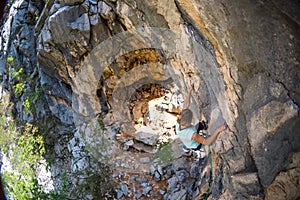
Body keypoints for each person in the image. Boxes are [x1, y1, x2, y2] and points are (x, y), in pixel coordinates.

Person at [175, 81, 227, 157]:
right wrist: (218, 130)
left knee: (199, 125)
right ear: (189, 123)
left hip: (187, 138)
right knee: (210, 138)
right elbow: (206, 142)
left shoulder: (179, 123)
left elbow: (186, 105)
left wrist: (190, 90)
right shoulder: (193, 134)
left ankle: (187, 146)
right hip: (196, 145)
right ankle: (191, 148)